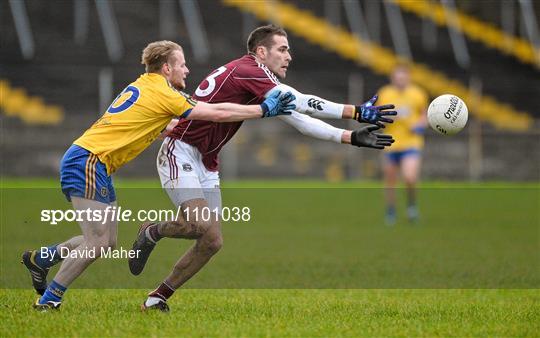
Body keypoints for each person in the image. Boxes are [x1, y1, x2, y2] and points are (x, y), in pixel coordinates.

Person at [127, 25, 397, 312]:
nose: (289, 56)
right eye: (282, 49)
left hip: (207, 160)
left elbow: (299, 119)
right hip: (181, 148)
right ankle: (152, 231)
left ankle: (158, 297)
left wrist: (350, 136)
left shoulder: (260, 80)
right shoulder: (249, 70)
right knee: (200, 225)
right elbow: (301, 101)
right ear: (261, 52)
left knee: (212, 240)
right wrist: (354, 112)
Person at [21, 40, 297, 310]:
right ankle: (49, 300)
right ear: (167, 68)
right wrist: (262, 109)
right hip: (88, 161)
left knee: (106, 242)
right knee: (97, 242)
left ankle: (42, 259)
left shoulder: (145, 86)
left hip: (92, 162)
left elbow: (170, 124)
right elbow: (214, 112)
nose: (187, 70)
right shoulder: (165, 94)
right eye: (182, 64)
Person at [377, 64, 428, 225]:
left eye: (403, 77)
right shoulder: (385, 93)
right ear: (392, 78)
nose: (400, 80)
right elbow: (377, 116)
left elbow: (424, 115)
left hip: (411, 142)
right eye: (397, 77)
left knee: (409, 177)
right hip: (390, 143)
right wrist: (386, 120)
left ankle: (412, 207)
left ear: (408, 78)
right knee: (390, 180)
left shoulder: (418, 93)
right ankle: (391, 211)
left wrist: (420, 125)